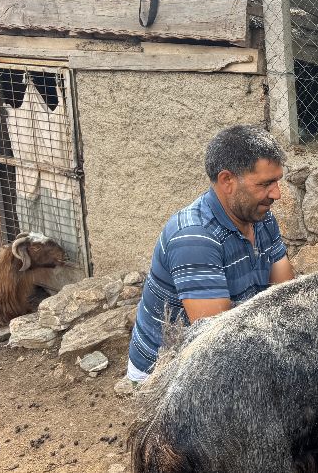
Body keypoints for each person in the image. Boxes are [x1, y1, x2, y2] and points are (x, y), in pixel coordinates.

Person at [126, 124, 295, 382]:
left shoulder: (261, 218)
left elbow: (285, 294)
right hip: (168, 372)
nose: (277, 194)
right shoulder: (195, 239)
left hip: (227, 342)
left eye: (277, 181)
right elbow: (218, 345)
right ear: (227, 181)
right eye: (265, 184)